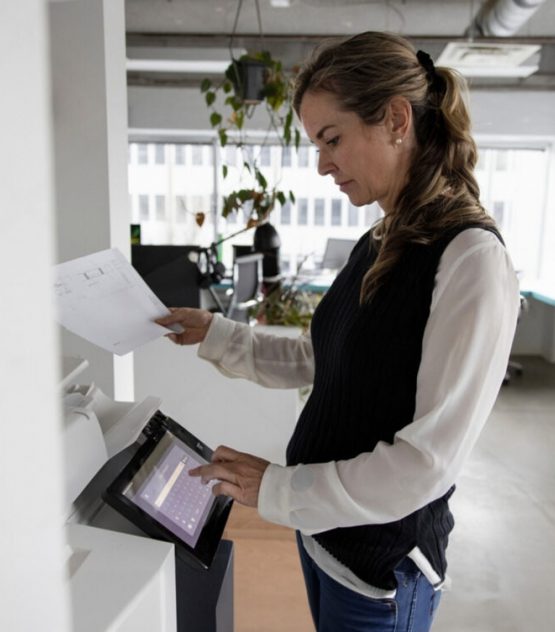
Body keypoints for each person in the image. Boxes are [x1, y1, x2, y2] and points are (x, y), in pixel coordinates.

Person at [156, 31, 520, 632]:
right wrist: (215, 333)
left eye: (332, 140)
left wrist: (277, 488)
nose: (322, 164)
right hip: (325, 538)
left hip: (381, 570)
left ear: (396, 120)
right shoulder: (379, 238)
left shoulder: (470, 258)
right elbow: (323, 355)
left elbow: (426, 464)